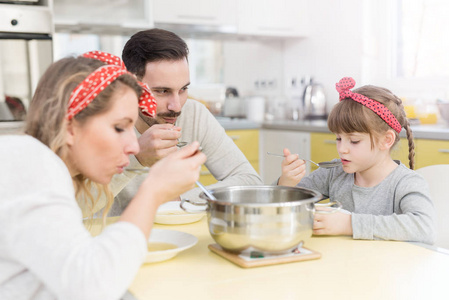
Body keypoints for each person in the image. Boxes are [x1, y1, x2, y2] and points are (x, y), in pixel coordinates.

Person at [0, 54, 206, 300]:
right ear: (69, 126)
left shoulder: (40, 165)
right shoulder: (28, 163)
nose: (134, 147)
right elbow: (92, 287)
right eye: (119, 128)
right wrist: (153, 190)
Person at [105, 28, 262, 215]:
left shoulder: (194, 115)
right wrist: (136, 158)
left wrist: (179, 201)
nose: (176, 106)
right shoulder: (103, 123)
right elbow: (81, 204)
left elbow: (251, 182)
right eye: (162, 91)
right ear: (130, 86)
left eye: (183, 89)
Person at [278, 77, 436, 244]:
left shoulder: (406, 182)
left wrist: (349, 224)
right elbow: (286, 205)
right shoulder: (333, 173)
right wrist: (286, 183)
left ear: (386, 140)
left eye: (354, 141)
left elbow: (424, 228)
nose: (342, 149)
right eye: (338, 138)